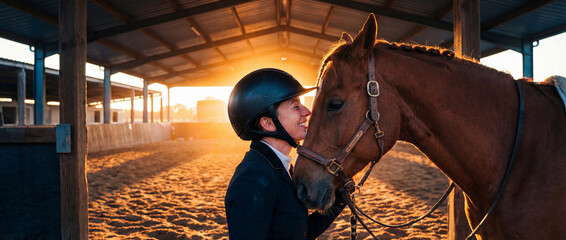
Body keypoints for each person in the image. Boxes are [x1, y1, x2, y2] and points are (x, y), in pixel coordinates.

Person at [225, 68, 345, 239]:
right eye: (296, 106)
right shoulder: (253, 178)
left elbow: (298, 233)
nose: (306, 112)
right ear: (268, 123)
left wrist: (340, 198)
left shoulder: (280, 166)